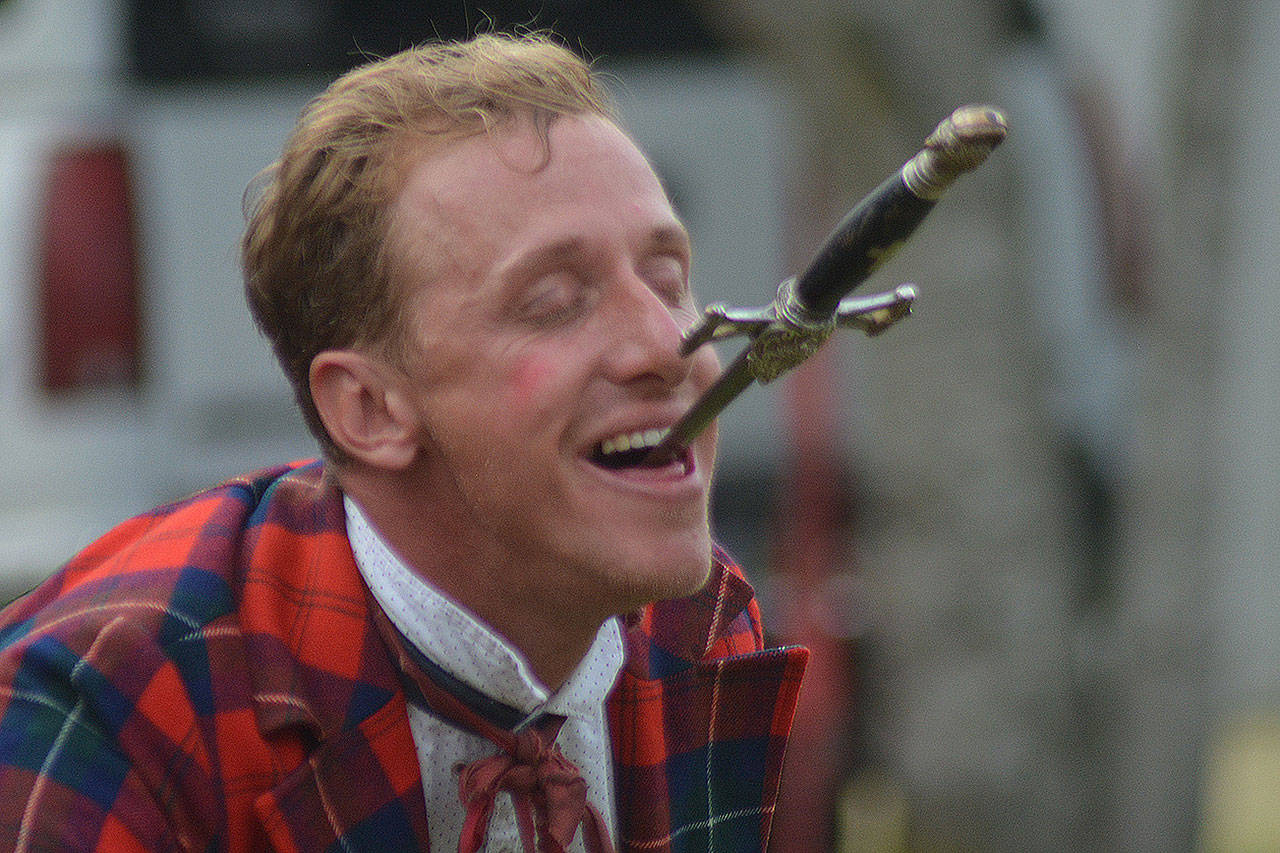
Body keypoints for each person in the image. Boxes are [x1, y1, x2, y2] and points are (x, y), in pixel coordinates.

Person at [0, 32, 807, 852]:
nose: (667, 348)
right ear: (370, 409)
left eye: (668, 282)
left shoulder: (697, 629)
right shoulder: (109, 706)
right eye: (557, 301)